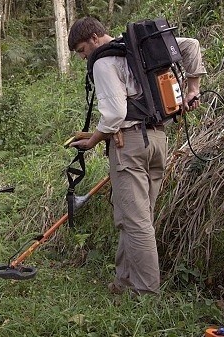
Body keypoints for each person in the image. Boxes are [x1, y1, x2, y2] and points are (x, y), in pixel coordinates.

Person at [67, 17, 206, 295]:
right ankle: (123, 281)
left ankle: (145, 293)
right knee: (138, 218)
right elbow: (191, 46)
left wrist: (92, 140)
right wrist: (193, 89)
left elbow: (115, 115)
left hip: (129, 144)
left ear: (94, 38)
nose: (84, 57)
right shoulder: (139, 46)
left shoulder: (103, 62)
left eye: (82, 50)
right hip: (157, 140)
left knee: (135, 220)